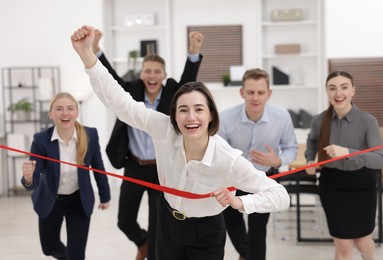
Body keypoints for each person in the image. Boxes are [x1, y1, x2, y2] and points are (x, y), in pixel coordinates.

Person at [71, 25, 290, 260]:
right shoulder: (164, 129)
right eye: (183, 110)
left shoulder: (227, 158)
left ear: (211, 115)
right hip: (168, 224)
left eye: (199, 109)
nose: (191, 117)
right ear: (174, 115)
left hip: (207, 234)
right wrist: (87, 55)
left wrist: (239, 202)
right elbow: (121, 104)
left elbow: (280, 195)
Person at [91, 28, 204, 260]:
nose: (152, 76)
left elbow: (189, 82)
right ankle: (142, 242)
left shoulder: (173, 92)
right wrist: (96, 49)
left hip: (160, 169)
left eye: (157, 72)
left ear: (164, 75)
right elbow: (110, 78)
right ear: (142, 74)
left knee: (158, 224)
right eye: (148, 71)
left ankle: (151, 253)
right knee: (124, 220)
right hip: (134, 164)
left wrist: (193, 51)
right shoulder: (132, 91)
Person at [305, 71, 383, 260]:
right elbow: (311, 143)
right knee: (342, 245)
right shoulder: (319, 120)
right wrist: (310, 160)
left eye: (344, 87)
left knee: (362, 242)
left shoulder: (368, 121)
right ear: (326, 92)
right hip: (331, 185)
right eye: (332, 88)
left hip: (361, 185)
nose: (338, 93)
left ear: (353, 91)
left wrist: (349, 153)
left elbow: (380, 160)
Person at [218, 68, 298, 260]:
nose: (255, 98)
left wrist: (279, 160)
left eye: (261, 93)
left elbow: (292, 148)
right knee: (232, 224)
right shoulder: (225, 118)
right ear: (241, 93)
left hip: (264, 178)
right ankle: (246, 254)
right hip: (232, 180)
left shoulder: (282, 117)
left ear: (269, 94)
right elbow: (218, 152)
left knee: (258, 229)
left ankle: (251, 256)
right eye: (250, 92)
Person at [20, 92, 111, 260]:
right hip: (51, 200)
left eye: (70, 108)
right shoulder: (41, 140)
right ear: (51, 114)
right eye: (59, 109)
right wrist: (28, 177)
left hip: (78, 200)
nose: (65, 113)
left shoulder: (90, 135)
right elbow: (34, 178)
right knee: (49, 248)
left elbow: (99, 168)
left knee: (77, 255)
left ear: (77, 112)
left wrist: (105, 196)